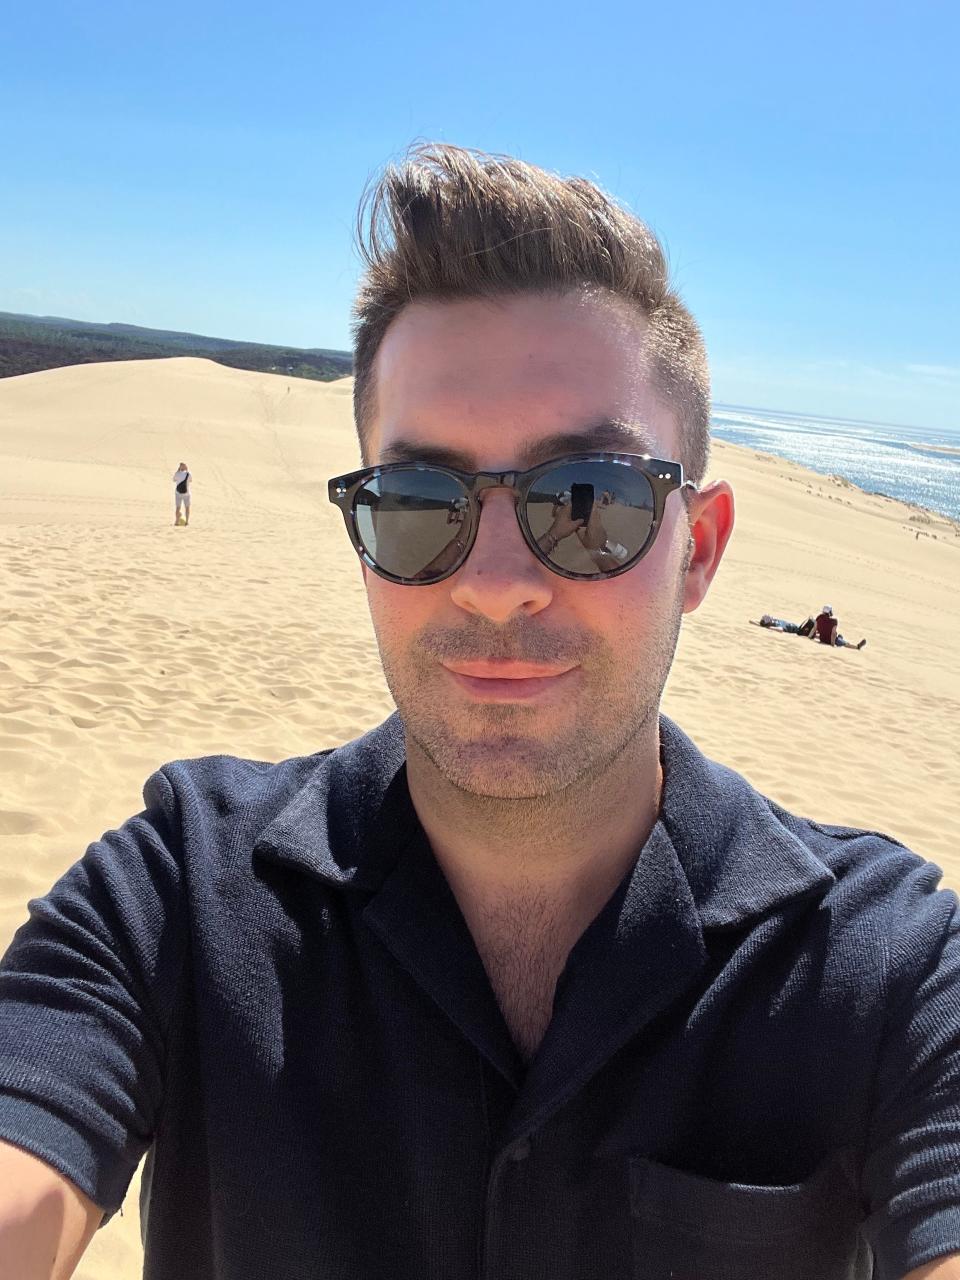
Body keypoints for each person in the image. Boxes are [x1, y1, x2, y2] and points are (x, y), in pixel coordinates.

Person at [1, 146, 957, 1280]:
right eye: (417, 505)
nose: (496, 580)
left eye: (589, 501)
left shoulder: (882, 967)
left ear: (697, 548)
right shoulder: (175, 894)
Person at [172, 461, 191, 525]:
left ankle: (177, 522)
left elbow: (174, 480)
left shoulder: (177, 474)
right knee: (187, 507)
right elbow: (191, 480)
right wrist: (187, 470)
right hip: (186, 493)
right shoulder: (188, 474)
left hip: (178, 493)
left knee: (178, 508)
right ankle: (187, 521)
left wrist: (178, 471)